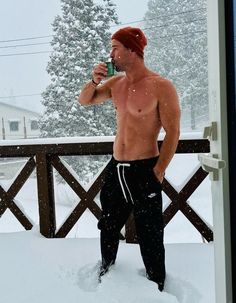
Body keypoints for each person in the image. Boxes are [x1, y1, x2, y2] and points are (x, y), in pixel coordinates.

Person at [78, 27, 180, 292]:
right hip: (117, 167)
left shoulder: (161, 86)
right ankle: (106, 267)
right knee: (108, 223)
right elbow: (85, 101)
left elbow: (173, 132)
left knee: (150, 232)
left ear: (132, 50)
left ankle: (157, 282)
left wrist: (159, 169)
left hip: (144, 168)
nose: (110, 53)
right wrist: (94, 80)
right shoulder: (116, 83)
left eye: (115, 47)